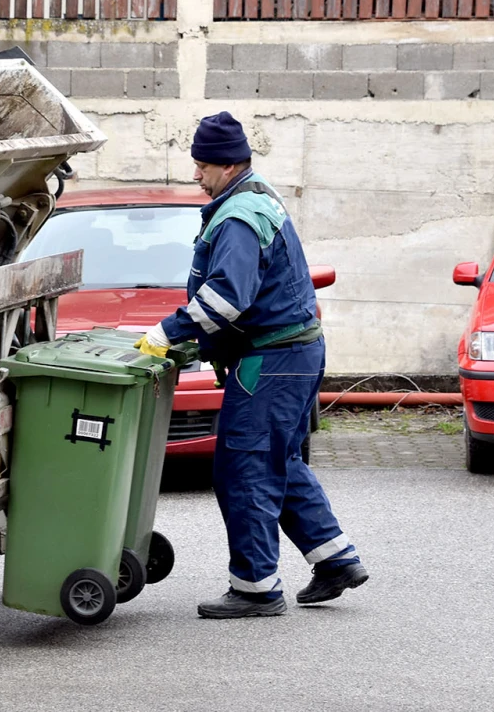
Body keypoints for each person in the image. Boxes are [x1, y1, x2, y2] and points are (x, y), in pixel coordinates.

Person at [135, 111, 368, 618]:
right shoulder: (252, 197)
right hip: (292, 354)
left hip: (272, 360)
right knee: (277, 461)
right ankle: (335, 559)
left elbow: (226, 299)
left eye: (202, 166)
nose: (196, 174)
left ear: (227, 164)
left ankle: (256, 588)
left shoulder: (239, 216)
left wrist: (167, 333)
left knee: (244, 469)